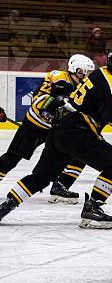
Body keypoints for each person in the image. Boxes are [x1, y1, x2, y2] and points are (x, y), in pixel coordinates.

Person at [0, 48, 112, 229]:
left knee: (40, 177)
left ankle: (5, 206)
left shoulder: (98, 74)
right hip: (77, 133)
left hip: (58, 130)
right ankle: (93, 208)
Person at [0, 54, 95, 204]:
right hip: (35, 125)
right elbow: (48, 96)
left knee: (79, 154)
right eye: (86, 72)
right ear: (77, 70)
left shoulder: (82, 88)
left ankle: (60, 186)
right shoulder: (58, 76)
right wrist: (59, 100)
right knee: (13, 157)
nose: (88, 76)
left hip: (55, 129)